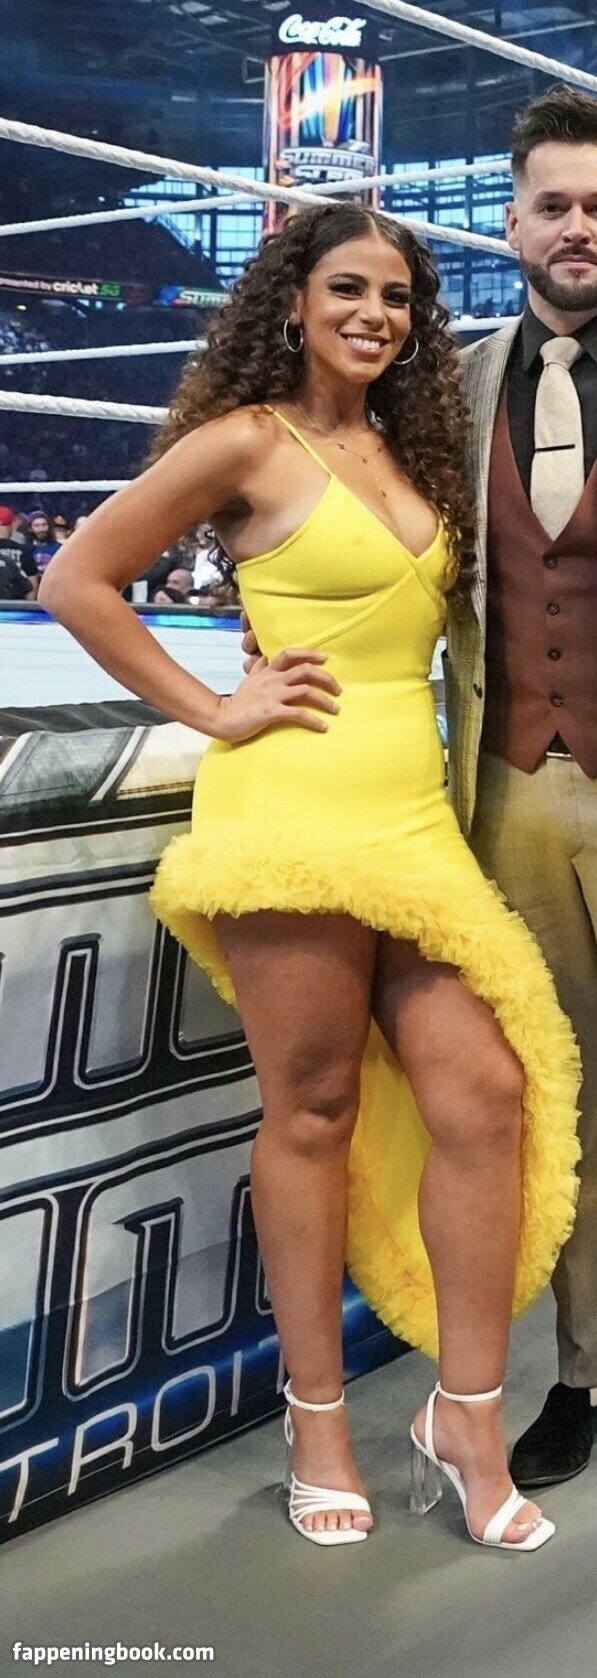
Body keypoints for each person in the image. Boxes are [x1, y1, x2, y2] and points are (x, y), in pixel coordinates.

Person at [39, 202, 580, 1554]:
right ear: (290, 299)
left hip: (412, 820)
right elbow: (77, 577)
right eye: (347, 288)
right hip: (291, 810)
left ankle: (465, 1415)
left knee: (486, 1095)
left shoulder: (408, 445)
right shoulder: (242, 440)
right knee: (314, 1110)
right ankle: (317, 1421)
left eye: (396, 297)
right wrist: (213, 707)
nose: (373, 316)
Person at [451, 84, 597, 1493]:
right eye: (553, 203)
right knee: (559, 1097)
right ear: (511, 224)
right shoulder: (452, 382)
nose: (578, 226)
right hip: (507, 793)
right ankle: (581, 1372)